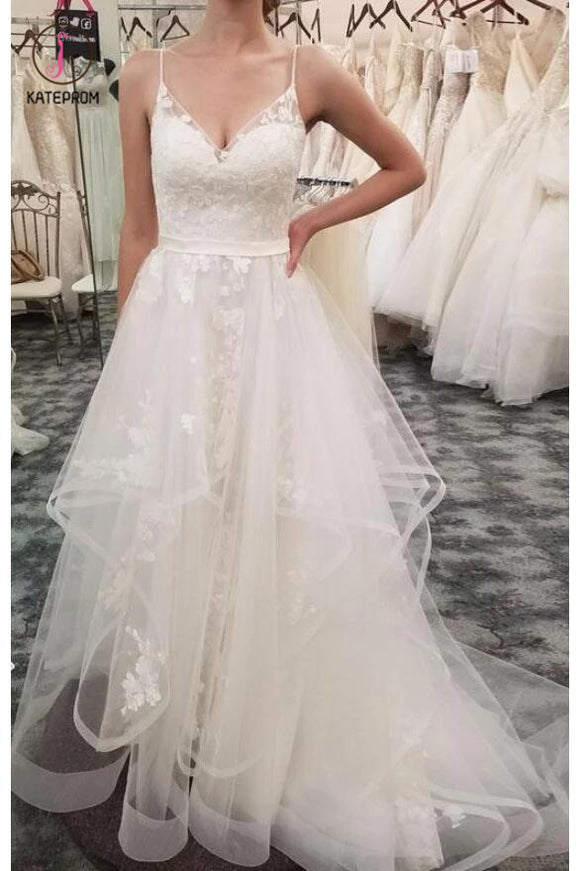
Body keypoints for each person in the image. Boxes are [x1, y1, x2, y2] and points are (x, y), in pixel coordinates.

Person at [12, 0, 568, 868]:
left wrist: (311, 219)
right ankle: (188, 693)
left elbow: (407, 165)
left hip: (273, 329)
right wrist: (127, 364)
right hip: (173, 330)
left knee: (272, 511)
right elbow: (140, 227)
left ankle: (264, 699)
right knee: (180, 512)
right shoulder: (146, 73)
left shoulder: (313, 71)